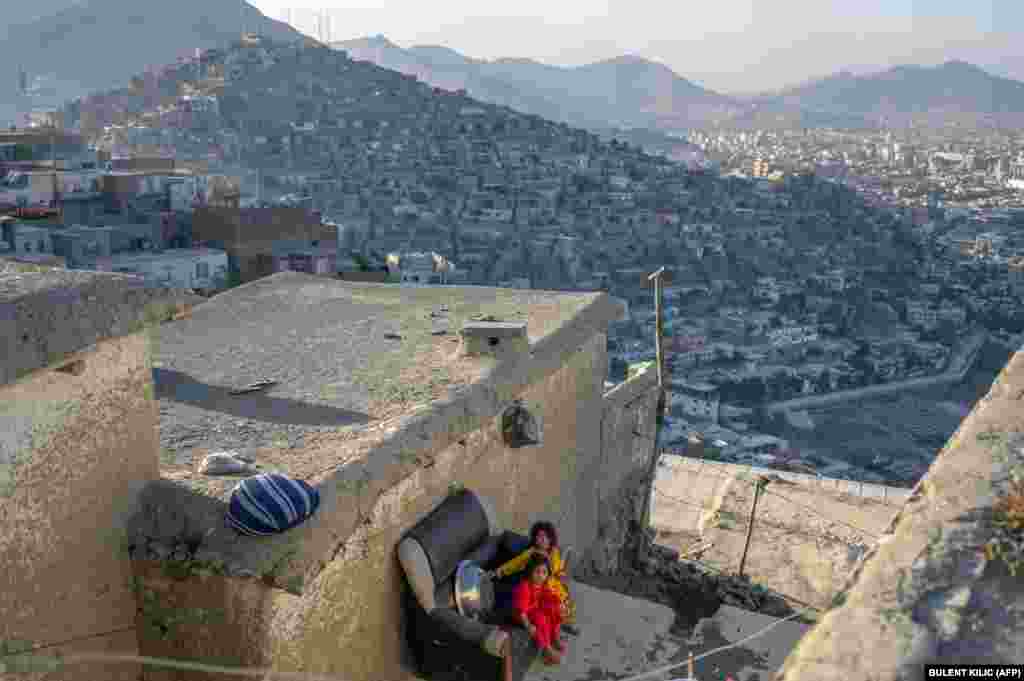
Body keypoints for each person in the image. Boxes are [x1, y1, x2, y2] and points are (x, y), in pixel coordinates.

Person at [490, 521, 578, 633]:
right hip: (539, 586)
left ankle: (567, 623)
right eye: (538, 536)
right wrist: (499, 571)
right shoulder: (531, 553)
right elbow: (515, 564)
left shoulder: (554, 552)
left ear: (550, 538)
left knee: (565, 599)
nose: (540, 539)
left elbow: (558, 568)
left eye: (544, 536)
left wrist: (561, 575)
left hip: (554, 584)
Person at [511, 554, 566, 665]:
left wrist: (559, 604)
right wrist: (528, 625)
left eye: (544, 572)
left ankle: (554, 636)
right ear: (530, 572)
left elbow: (549, 595)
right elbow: (521, 610)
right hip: (523, 615)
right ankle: (547, 648)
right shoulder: (525, 586)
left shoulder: (543, 583)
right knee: (541, 618)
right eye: (537, 572)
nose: (541, 576)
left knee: (553, 609)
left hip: (535, 609)